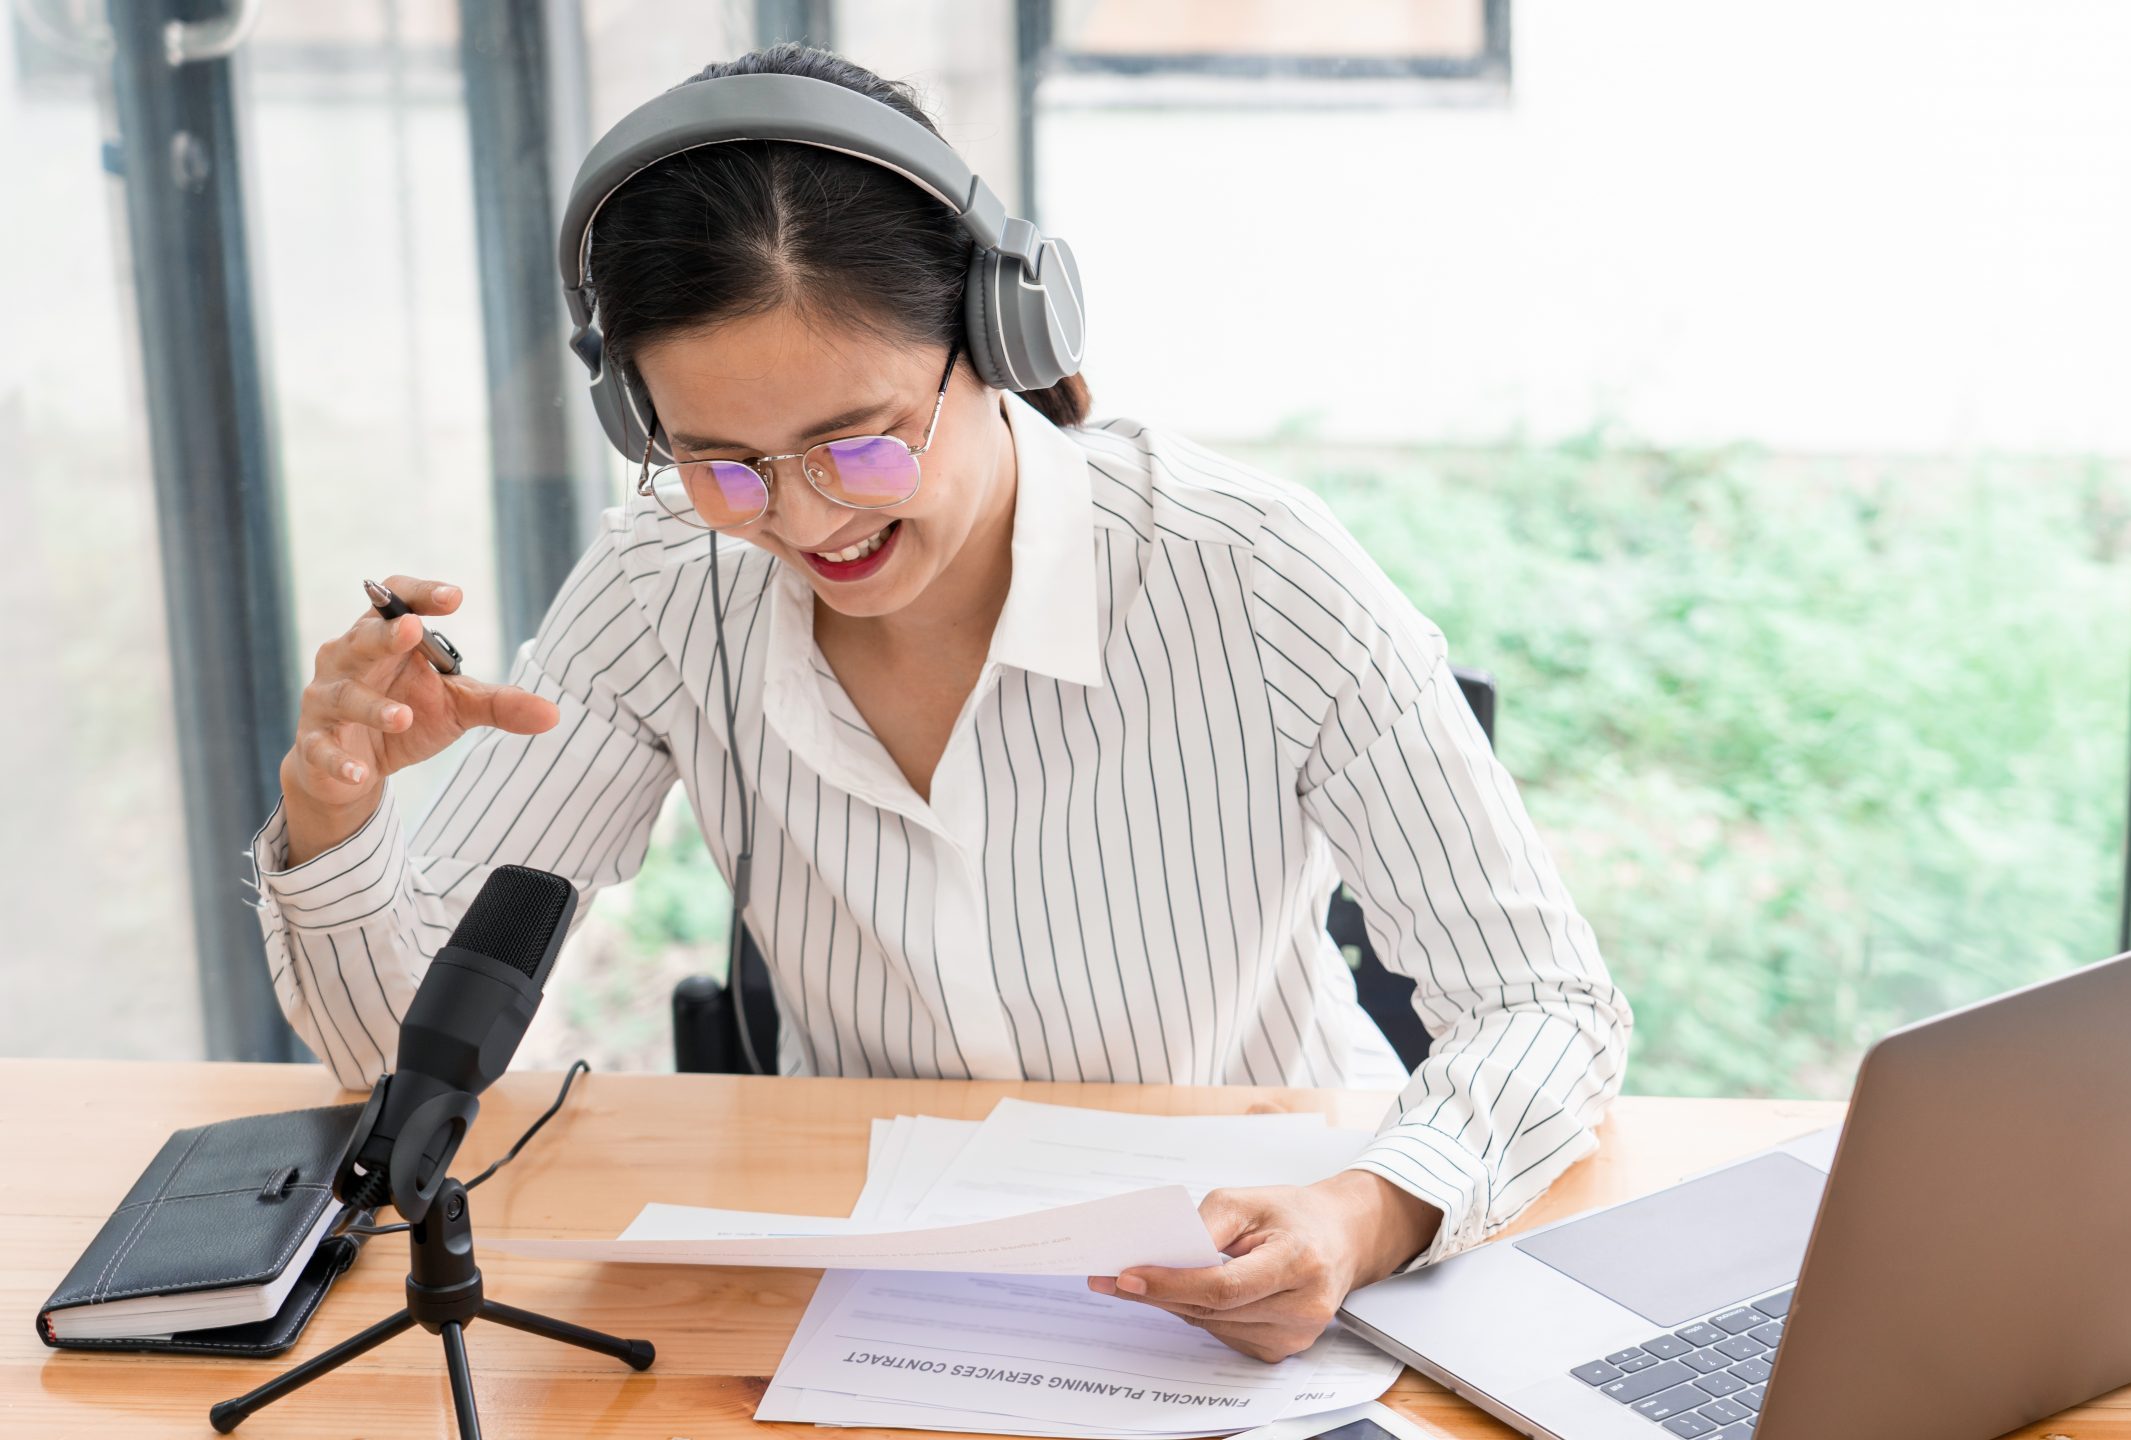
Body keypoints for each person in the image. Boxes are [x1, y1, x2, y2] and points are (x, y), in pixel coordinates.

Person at [248, 43, 1631, 1364]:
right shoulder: (666, 581)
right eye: (724, 463)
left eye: (858, 438)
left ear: (1001, 330)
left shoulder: (1255, 572)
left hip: (1248, 1268)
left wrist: (1370, 1211)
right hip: (869, 1294)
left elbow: (1551, 1006)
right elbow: (402, 1067)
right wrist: (335, 815)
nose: (802, 515)